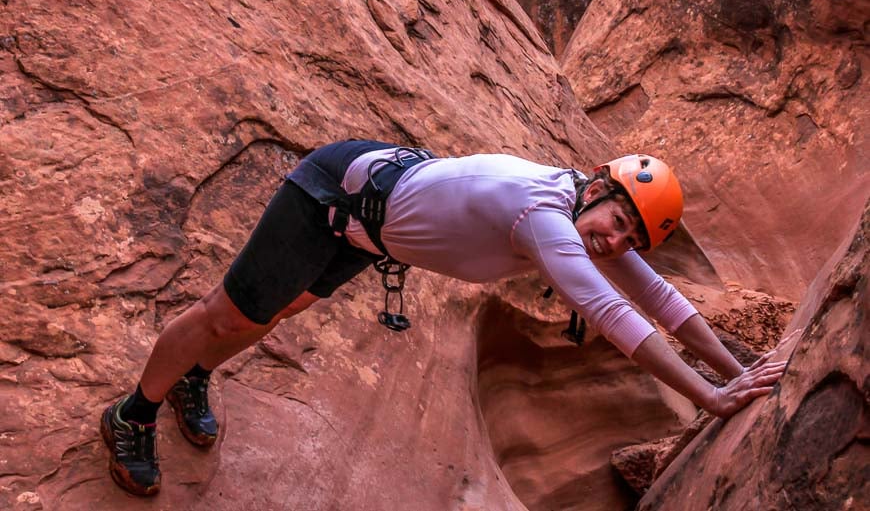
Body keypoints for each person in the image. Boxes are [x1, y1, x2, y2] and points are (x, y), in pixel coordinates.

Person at [100, 139, 789, 496]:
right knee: (228, 312)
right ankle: (132, 413)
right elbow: (612, 313)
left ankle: (191, 377)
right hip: (330, 201)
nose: (612, 244)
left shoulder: (579, 210)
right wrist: (710, 398)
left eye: (627, 241)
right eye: (615, 225)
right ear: (601, 188)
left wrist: (744, 370)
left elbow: (661, 299)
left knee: (269, 315)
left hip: (366, 225)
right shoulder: (547, 217)